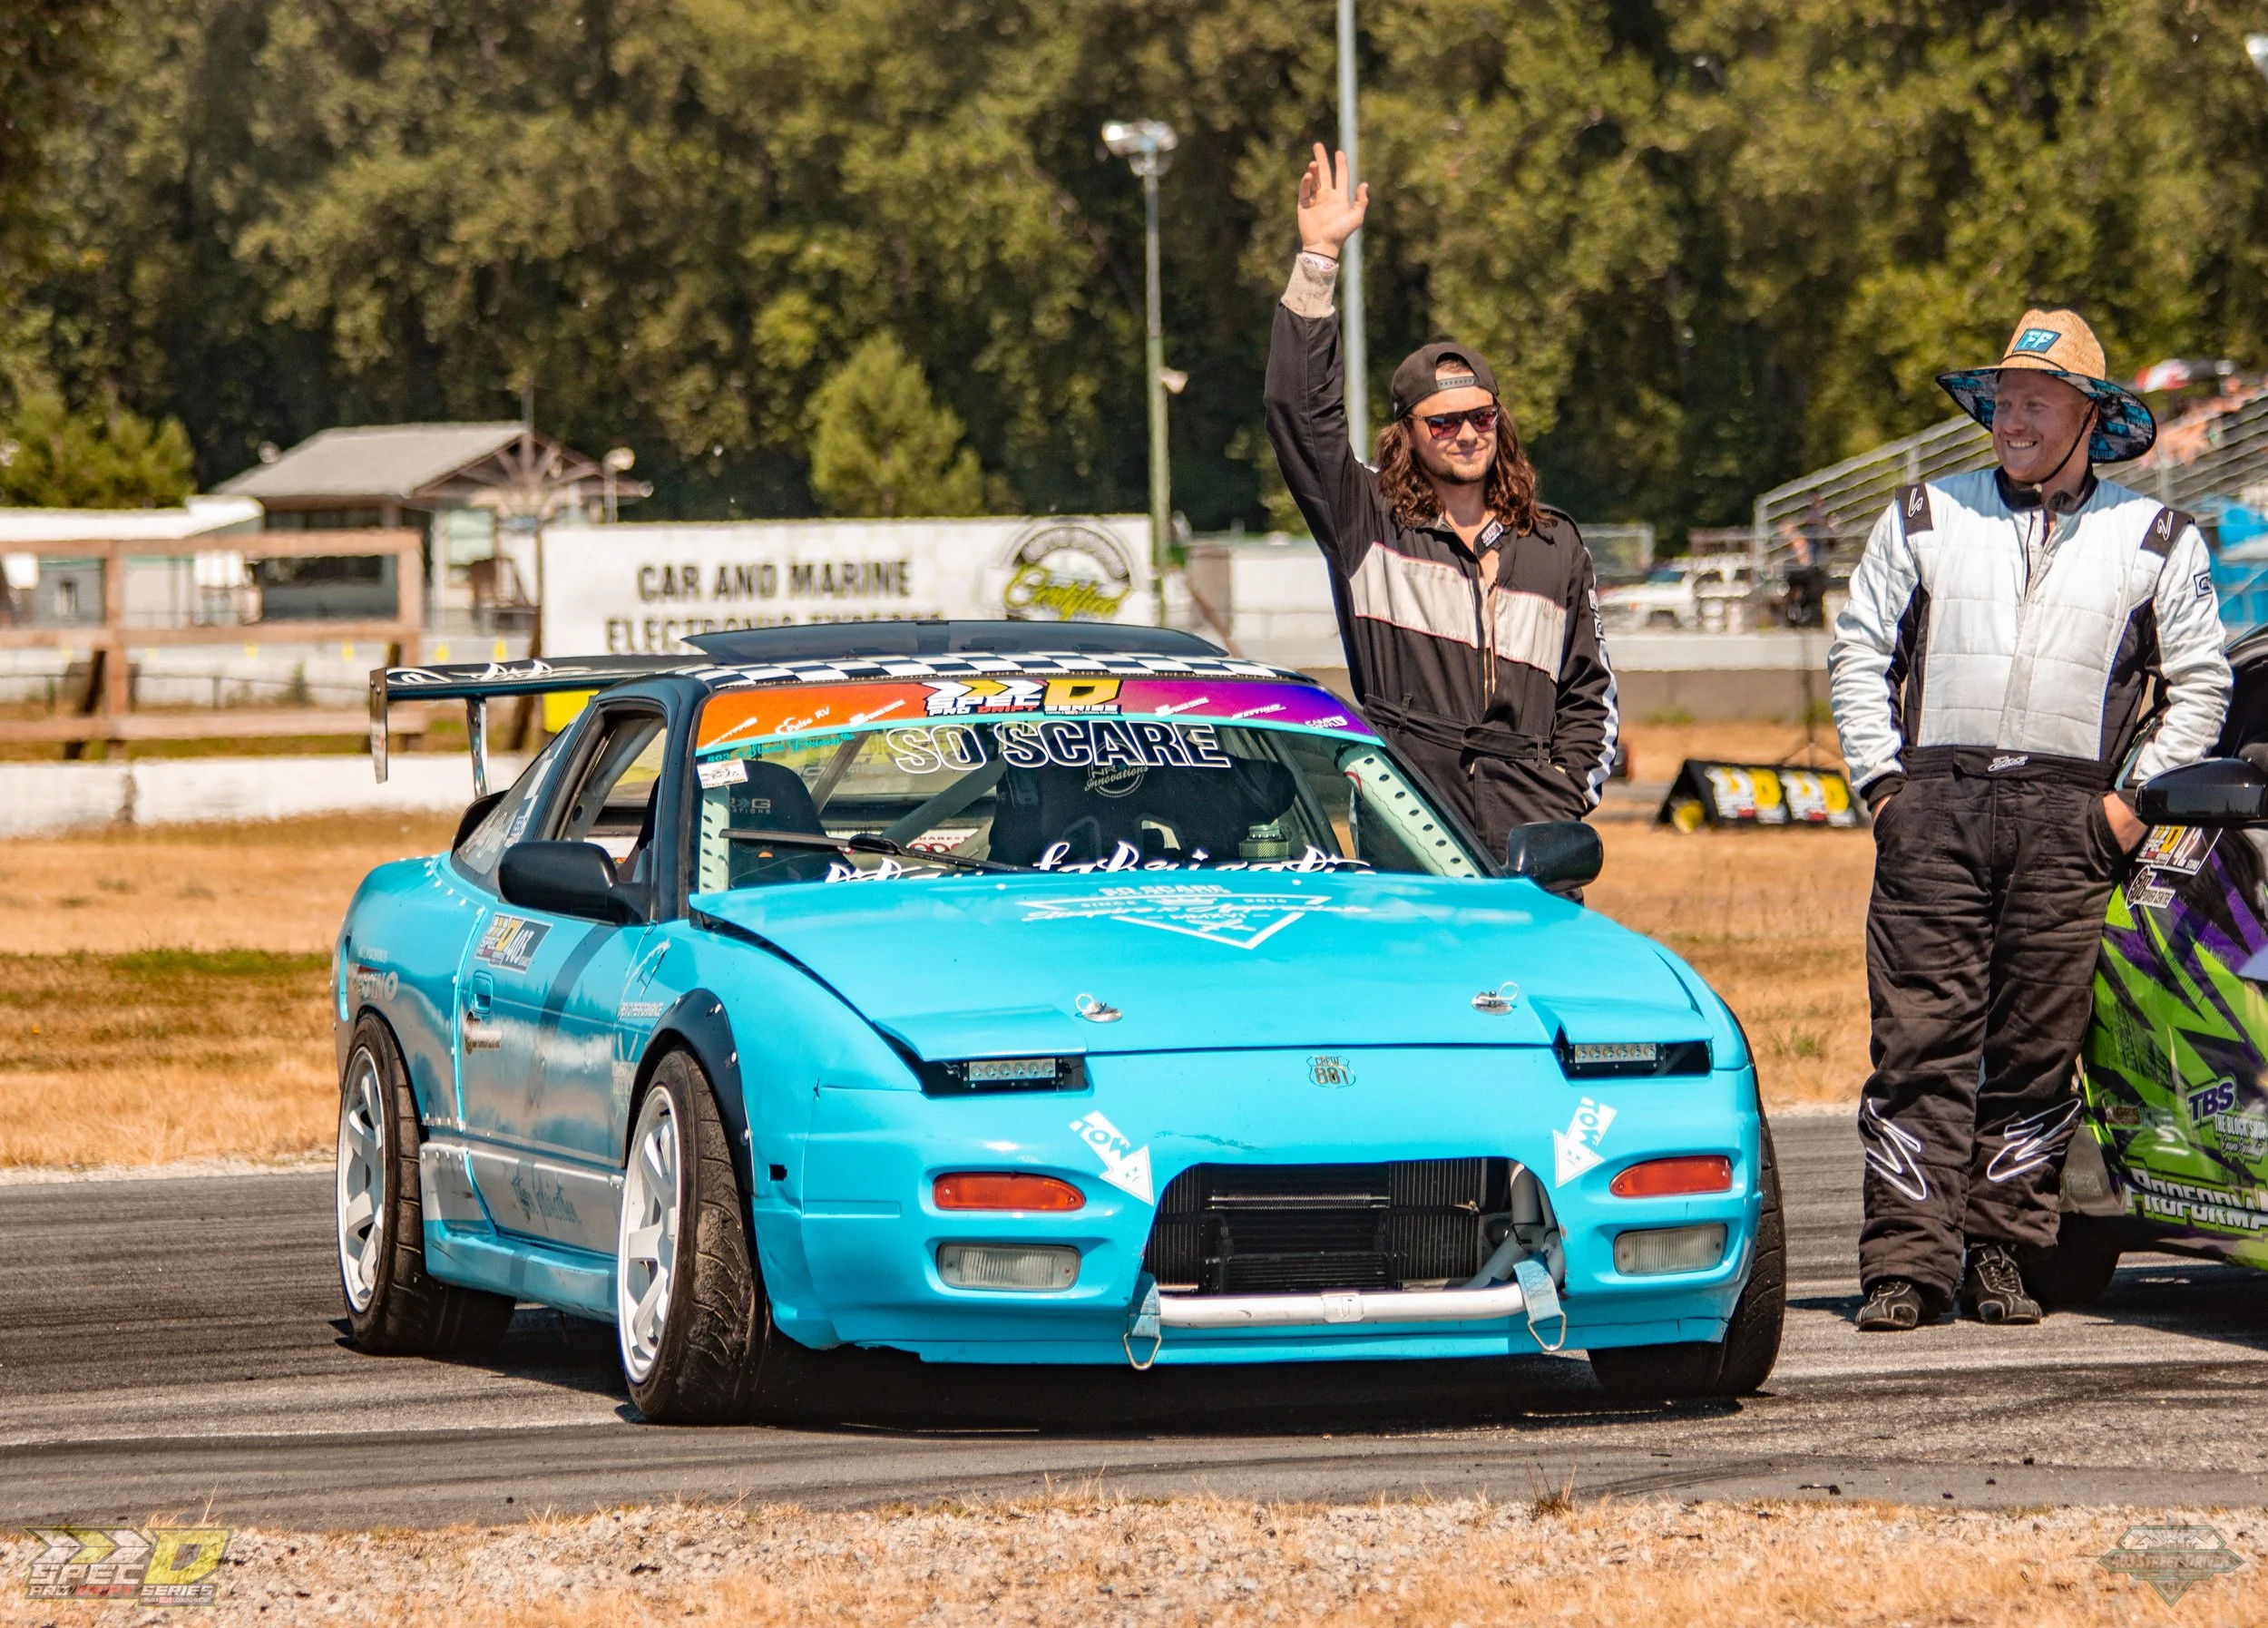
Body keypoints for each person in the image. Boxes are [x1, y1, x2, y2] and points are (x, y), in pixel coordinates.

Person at [1829, 308, 2232, 1331]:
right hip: (1935, 802)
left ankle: (2002, 1252)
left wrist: (2125, 809)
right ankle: (1905, 1268)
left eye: (2034, 401)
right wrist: (1884, 789)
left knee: (2035, 1050)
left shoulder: (2155, 537)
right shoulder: (1924, 511)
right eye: (2001, 399)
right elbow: (1858, 653)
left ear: (2089, 415)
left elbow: (2200, 689)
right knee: (1918, 1041)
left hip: (2071, 815)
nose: (2010, 417)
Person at [1264, 144, 1618, 861]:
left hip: (1534, 833)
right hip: (1409, 827)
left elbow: (1591, 694)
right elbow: (1301, 415)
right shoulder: (1369, 523)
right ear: (1410, 434)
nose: (1465, 435)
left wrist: (1567, 791)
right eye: (1443, 422)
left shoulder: (1555, 546)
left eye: (1481, 417)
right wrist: (1318, 260)